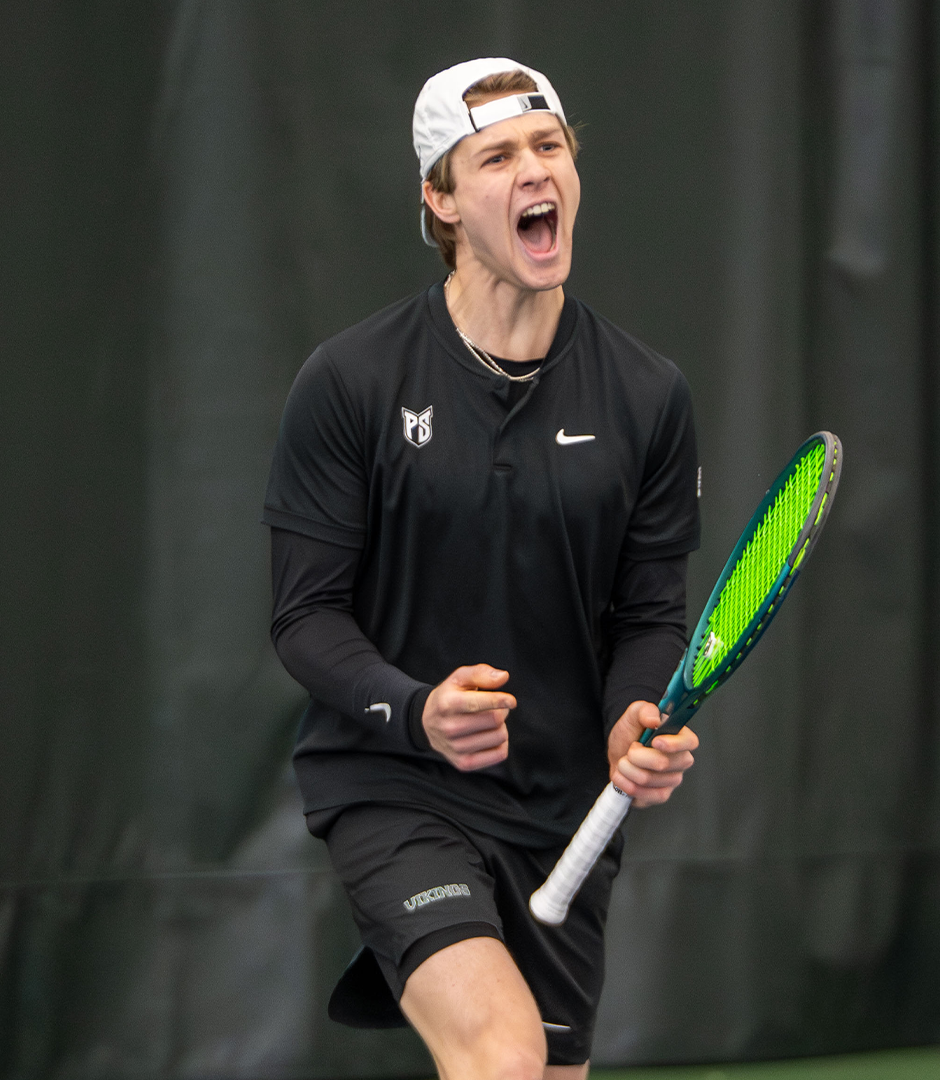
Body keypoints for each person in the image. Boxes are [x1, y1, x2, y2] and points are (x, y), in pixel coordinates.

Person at [263, 57, 702, 1080]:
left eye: (549, 147)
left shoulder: (647, 396)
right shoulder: (351, 384)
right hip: (397, 784)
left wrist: (636, 715)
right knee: (500, 1057)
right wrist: (418, 711)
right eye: (495, 156)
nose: (532, 172)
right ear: (442, 199)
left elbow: (650, 614)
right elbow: (305, 617)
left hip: (568, 812)